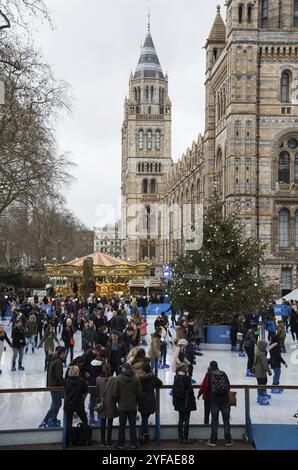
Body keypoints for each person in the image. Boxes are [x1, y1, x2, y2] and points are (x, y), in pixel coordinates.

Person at [113, 363, 143, 450]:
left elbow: (115, 394)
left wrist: (118, 401)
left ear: (124, 370)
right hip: (132, 406)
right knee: (132, 426)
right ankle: (134, 444)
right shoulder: (136, 379)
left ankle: (120, 444)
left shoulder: (118, 379)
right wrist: (136, 401)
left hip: (122, 406)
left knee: (121, 426)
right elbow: (140, 394)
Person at [206, 361, 233, 447]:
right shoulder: (223, 373)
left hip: (214, 400)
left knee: (214, 421)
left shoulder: (209, 374)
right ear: (217, 366)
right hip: (225, 400)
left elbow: (206, 386)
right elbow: (228, 385)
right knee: (226, 421)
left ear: (210, 367)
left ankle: (213, 441)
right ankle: (228, 441)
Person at [39, 346, 66, 428]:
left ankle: (53, 419)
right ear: (61, 353)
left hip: (53, 386)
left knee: (56, 404)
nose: (65, 354)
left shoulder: (54, 360)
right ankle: (45, 421)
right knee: (56, 404)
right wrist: (65, 384)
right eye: (65, 353)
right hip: (55, 387)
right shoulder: (58, 362)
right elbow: (59, 377)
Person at [138, 361, 163, 445]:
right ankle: (141, 436)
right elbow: (160, 383)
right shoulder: (152, 377)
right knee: (145, 419)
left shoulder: (140, 378)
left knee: (144, 419)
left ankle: (146, 437)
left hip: (142, 400)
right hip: (151, 400)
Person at [64, 365, 88, 447]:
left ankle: (67, 441)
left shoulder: (66, 381)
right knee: (84, 420)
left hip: (69, 404)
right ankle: (83, 439)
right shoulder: (81, 381)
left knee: (68, 423)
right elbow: (85, 390)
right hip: (78, 404)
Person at [172, 362, 196, 444]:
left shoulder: (176, 377)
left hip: (179, 401)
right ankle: (185, 438)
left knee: (180, 419)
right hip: (186, 401)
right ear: (184, 369)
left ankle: (180, 437)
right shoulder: (186, 378)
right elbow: (190, 390)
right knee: (186, 420)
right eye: (186, 368)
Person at [96, 363, 118, 448]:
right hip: (111, 403)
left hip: (102, 403)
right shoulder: (113, 379)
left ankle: (102, 441)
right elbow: (115, 391)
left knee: (102, 422)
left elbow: (97, 391)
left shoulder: (98, 379)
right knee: (110, 423)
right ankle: (108, 441)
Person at [253, 341, 272, 406]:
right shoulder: (261, 354)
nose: (266, 347)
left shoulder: (257, 352)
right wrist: (269, 371)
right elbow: (265, 364)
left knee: (260, 383)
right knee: (262, 384)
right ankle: (261, 397)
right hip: (261, 371)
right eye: (265, 346)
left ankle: (262, 394)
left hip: (257, 371)